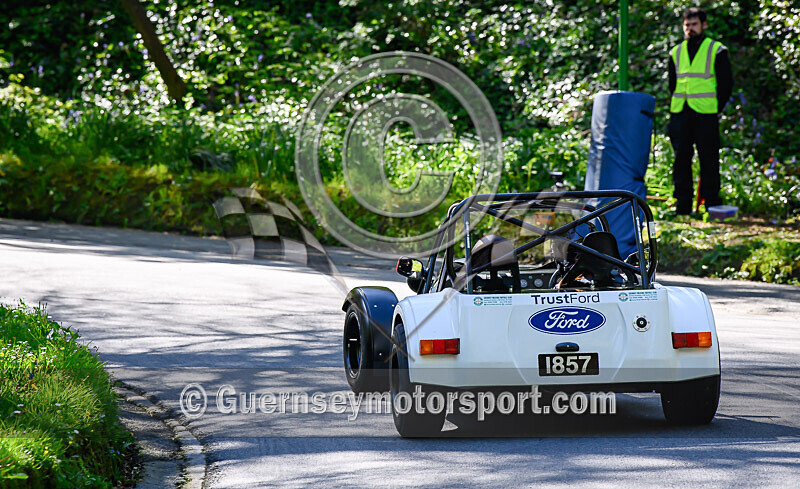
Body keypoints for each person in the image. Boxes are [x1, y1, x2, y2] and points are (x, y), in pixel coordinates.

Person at [668, 7, 733, 215]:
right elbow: (672, 84)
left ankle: (712, 205)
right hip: (681, 112)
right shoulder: (675, 52)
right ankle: (682, 206)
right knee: (681, 160)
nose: (690, 29)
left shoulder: (717, 50)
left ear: (703, 25)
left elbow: (726, 84)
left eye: (694, 24)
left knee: (709, 160)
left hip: (706, 113)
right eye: (687, 25)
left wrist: (715, 107)